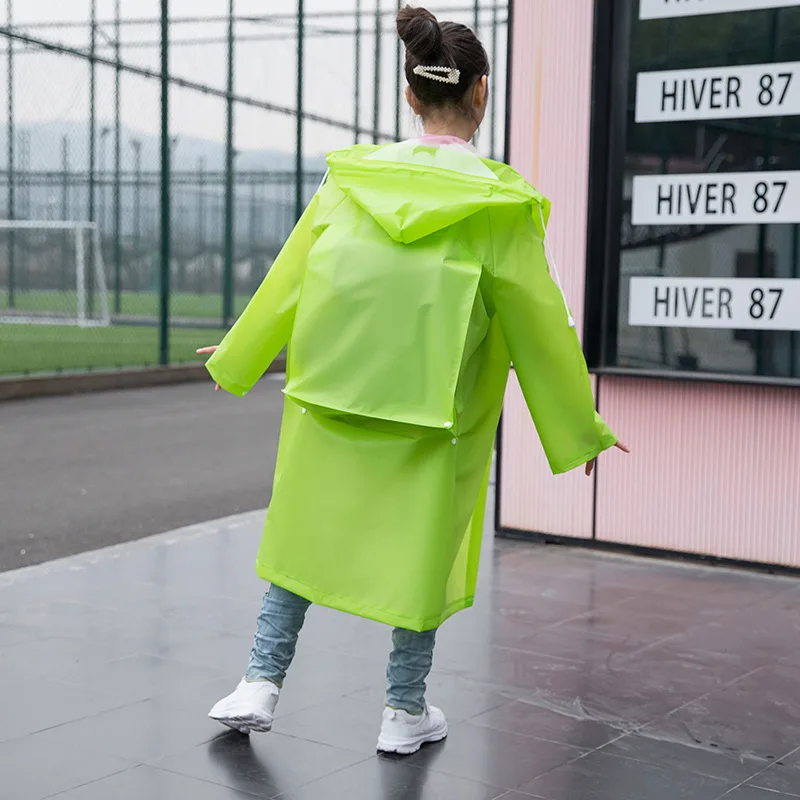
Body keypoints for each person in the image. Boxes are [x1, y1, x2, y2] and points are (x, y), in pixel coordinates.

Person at [198, 4, 628, 756]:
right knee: (423, 553)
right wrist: (579, 429)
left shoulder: (350, 181)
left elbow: (291, 275)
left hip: (331, 397)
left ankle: (259, 681)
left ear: (410, 95)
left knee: (302, 530)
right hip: (436, 413)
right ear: (481, 93)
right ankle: (403, 712)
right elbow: (542, 323)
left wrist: (239, 352)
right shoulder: (500, 205)